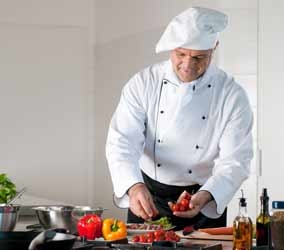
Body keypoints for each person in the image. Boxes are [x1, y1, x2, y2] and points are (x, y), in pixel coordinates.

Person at [106, 6, 253, 229]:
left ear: (214, 47)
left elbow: (236, 159)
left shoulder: (231, 94)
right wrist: (133, 186)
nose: (188, 65)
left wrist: (206, 195)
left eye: (199, 57)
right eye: (181, 54)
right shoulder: (144, 83)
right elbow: (121, 141)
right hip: (148, 195)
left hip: (204, 199)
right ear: (171, 48)